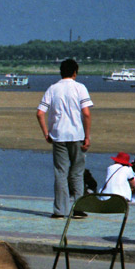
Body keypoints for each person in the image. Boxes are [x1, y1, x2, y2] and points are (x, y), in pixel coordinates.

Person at [36, 58, 93, 219]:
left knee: (60, 173)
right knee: (77, 172)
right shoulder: (80, 88)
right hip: (77, 135)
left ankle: (60, 210)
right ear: (75, 72)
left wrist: (46, 133)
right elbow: (86, 113)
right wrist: (87, 136)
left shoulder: (53, 89)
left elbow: (40, 113)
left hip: (58, 135)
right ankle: (78, 208)